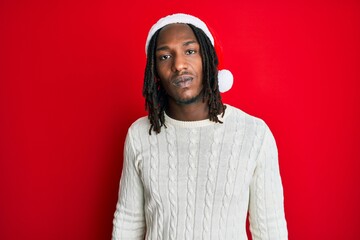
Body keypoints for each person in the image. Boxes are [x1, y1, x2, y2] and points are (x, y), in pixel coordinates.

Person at [112, 13, 288, 240]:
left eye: (190, 51)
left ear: (207, 58)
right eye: (165, 56)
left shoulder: (254, 134)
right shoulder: (139, 134)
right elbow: (128, 224)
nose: (179, 65)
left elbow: (270, 230)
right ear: (154, 71)